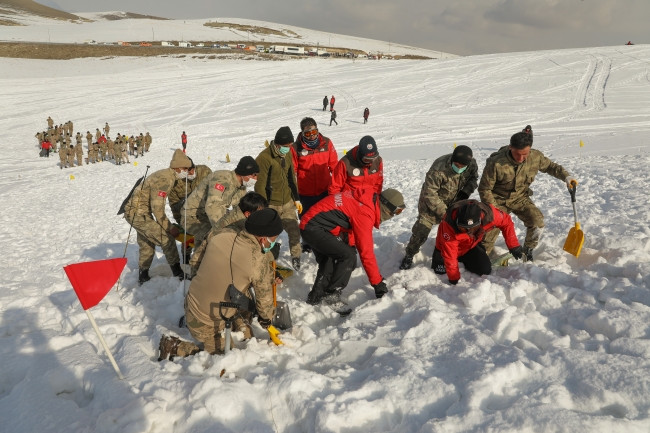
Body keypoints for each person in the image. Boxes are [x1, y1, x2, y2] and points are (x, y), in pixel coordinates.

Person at [157, 208, 283, 360]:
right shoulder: (257, 263)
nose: (273, 243)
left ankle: (240, 325)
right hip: (203, 321)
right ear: (264, 239)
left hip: (191, 300)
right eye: (274, 239)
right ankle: (173, 346)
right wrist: (267, 321)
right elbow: (265, 303)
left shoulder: (222, 233)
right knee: (225, 356)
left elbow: (196, 261)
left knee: (242, 293)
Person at [478, 126, 577, 261]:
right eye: (517, 154)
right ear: (510, 147)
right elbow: (484, 189)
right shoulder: (496, 163)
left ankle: (528, 251)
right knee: (489, 232)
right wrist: (494, 209)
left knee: (537, 222)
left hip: (520, 198)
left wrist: (567, 177)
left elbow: (550, 167)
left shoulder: (535, 157)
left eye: (525, 154)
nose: (521, 158)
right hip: (497, 200)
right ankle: (482, 255)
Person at [300, 188, 405, 304]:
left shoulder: (368, 199)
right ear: (386, 207)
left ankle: (314, 299)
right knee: (348, 256)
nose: (394, 215)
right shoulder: (365, 212)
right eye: (396, 211)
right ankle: (332, 295)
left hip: (313, 225)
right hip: (314, 228)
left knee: (329, 261)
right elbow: (366, 252)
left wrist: (350, 244)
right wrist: (377, 283)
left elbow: (349, 220)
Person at [400, 145, 479, 270]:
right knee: (421, 231)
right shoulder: (438, 169)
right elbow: (430, 194)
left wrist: (466, 191)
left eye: (462, 167)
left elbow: (474, 178)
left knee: (458, 228)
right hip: (430, 205)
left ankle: (456, 253)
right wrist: (446, 213)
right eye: (456, 165)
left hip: (455, 201)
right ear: (452, 160)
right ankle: (410, 254)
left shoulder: (471, 164)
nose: (459, 168)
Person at [121, 149, 192, 284]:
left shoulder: (168, 176)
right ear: (177, 167)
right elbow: (157, 208)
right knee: (166, 239)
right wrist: (169, 227)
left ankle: (143, 275)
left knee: (147, 243)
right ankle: (178, 273)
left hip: (139, 213)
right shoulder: (165, 179)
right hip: (138, 214)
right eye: (185, 168)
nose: (187, 172)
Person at [433, 199, 523, 285]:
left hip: (469, 247)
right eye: (463, 228)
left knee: (485, 269)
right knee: (440, 273)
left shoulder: (490, 215)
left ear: (480, 221)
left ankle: (473, 254)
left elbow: (506, 221)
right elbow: (450, 254)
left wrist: (513, 245)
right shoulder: (449, 224)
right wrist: (454, 278)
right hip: (445, 250)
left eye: (473, 228)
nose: (469, 231)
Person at [182, 156, 258, 249]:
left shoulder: (241, 187)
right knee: (212, 238)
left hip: (209, 216)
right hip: (193, 217)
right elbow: (212, 208)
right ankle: (200, 262)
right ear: (245, 173)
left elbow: (241, 209)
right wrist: (225, 231)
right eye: (254, 175)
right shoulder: (222, 179)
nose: (256, 178)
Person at [254, 126, 302, 271]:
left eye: (290, 146)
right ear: (277, 144)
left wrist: (296, 198)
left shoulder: (287, 154)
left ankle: (296, 257)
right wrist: (263, 209)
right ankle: (266, 259)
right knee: (269, 235)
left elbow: (290, 177)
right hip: (272, 204)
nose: (288, 149)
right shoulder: (264, 158)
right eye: (285, 146)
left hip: (287, 201)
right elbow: (260, 185)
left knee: (294, 230)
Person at [189, 191, 268, 275]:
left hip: (205, 268)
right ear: (248, 214)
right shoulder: (238, 227)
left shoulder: (238, 216)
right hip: (210, 272)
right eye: (260, 214)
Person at [291, 117, 338, 215]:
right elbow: (292, 172)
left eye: (314, 131)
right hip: (305, 194)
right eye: (308, 133)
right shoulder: (296, 148)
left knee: (327, 220)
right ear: (303, 133)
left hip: (325, 191)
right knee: (307, 222)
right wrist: (294, 195)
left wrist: (338, 188)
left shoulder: (326, 143)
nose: (312, 136)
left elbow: (334, 167)